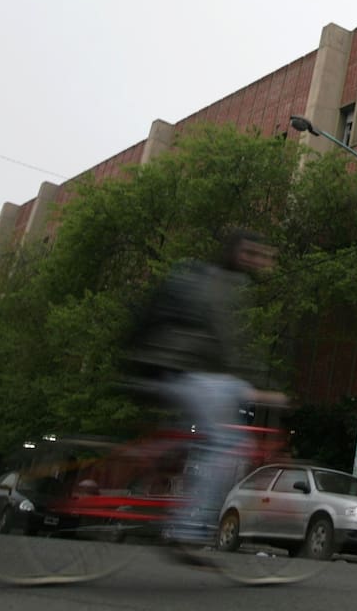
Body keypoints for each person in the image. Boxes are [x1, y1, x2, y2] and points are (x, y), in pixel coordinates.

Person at [125, 229, 285, 555]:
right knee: (230, 443)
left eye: (264, 256)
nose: (260, 261)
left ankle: (156, 462)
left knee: (199, 429)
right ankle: (187, 530)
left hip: (161, 365)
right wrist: (254, 388)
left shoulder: (207, 276)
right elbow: (225, 341)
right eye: (254, 254)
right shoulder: (221, 283)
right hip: (173, 366)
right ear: (238, 253)